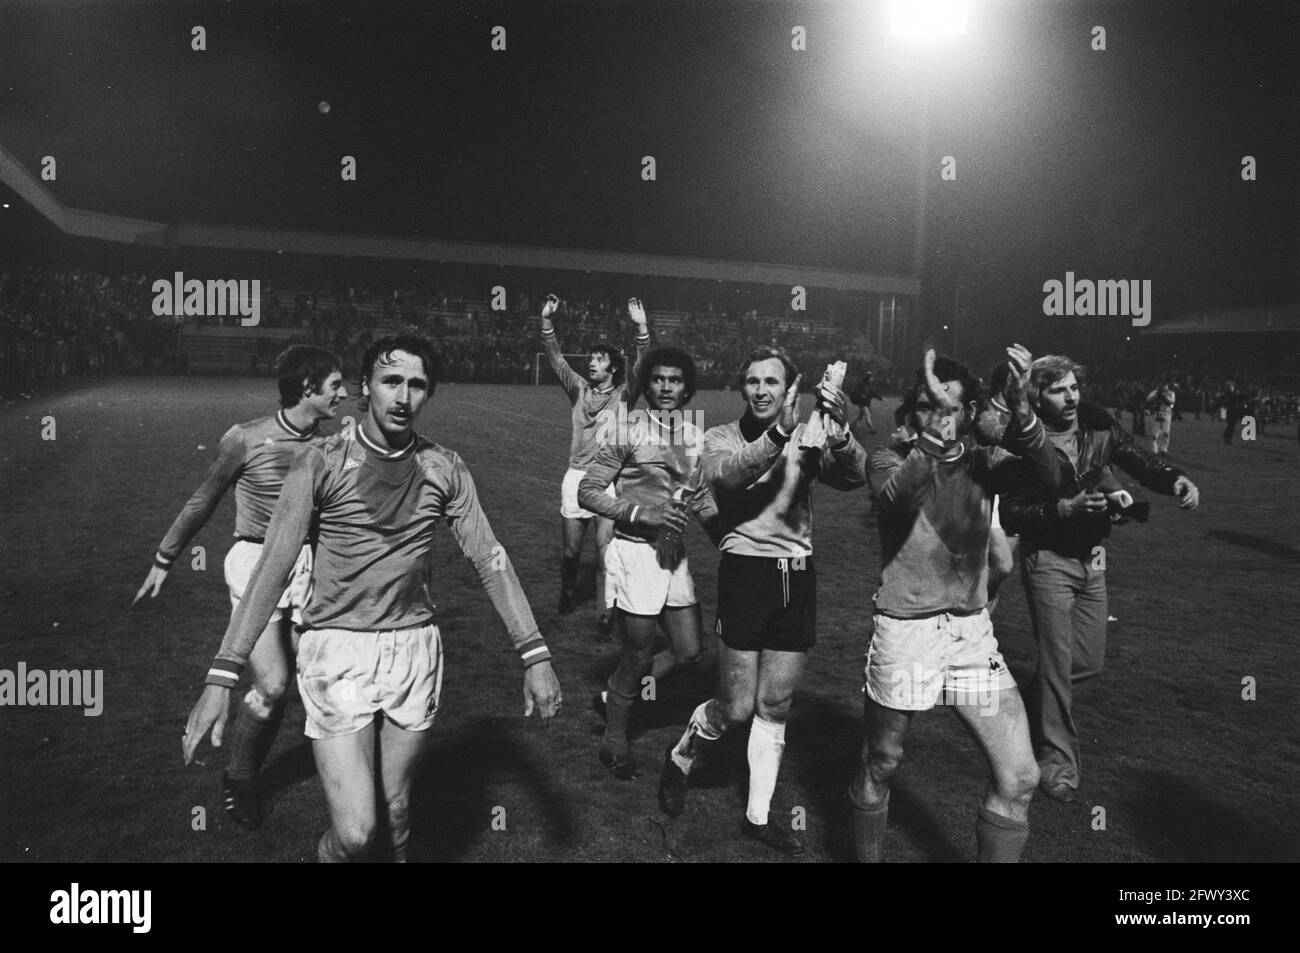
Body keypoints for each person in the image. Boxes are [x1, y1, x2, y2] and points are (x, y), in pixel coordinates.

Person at [181, 333, 561, 862]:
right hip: (336, 648)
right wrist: (221, 677)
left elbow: (491, 560)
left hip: (414, 649)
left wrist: (534, 654)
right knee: (357, 832)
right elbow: (273, 567)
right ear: (367, 388)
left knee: (398, 814)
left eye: (417, 385)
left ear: (429, 394)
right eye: (391, 382)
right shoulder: (320, 460)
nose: (403, 397)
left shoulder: (444, 467)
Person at [849, 344, 1057, 864]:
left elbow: (1051, 478)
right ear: (913, 410)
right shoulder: (889, 456)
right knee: (882, 761)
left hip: (970, 636)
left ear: (970, 413)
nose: (937, 413)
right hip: (907, 632)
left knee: (1021, 777)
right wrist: (933, 435)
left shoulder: (986, 462)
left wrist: (1024, 410)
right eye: (926, 403)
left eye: (949, 405)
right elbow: (898, 497)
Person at [657, 345, 867, 856]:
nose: (762, 390)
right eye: (753, 382)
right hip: (746, 576)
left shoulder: (807, 433)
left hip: (797, 577)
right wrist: (779, 435)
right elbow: (730, 477)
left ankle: (758, 817)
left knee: (775, 704)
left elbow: (854, 477)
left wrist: (839, 433)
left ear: (789, 388)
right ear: (743, 388)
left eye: (773, 382)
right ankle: (683, 754)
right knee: (735, 706)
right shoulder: (719, 438)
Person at [134, 344, 346, 829]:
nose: (344, 392)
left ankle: (349, 775)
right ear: (308, 388)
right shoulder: (246, 438)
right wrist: (165, 558)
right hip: (255, 562)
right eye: (335, 384)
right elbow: (202, 499)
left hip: (313, 565)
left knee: (315, 681)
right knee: (271, 683)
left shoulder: (333, 443)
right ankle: (240, 777)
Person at [1000, 355, 1200, 802]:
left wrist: (1176, 479)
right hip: (1048, 560)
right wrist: (1060, 511)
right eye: (1058, 390)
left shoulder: (1098, 425)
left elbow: (1140, 460)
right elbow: (1011, 511)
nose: (1071, 397)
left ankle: (1032, 704)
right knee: (1055, 665)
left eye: (1073, 387)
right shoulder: (1021, 439)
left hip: (1093, 561)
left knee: (1087, 662)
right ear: (1036, 395)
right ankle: (1057, 766)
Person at [578, 346, 719, 779]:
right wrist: (643, 514)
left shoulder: (695, 435)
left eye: (675, 380)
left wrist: (728, 545)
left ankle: (613, 697)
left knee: (689, 651)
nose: (665, 387)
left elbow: (700, 497)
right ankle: (615, 739)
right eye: (658, 379)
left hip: (673, 555)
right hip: (635, 552)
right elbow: (588, 491)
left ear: (687, 387)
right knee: (637, 659)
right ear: (649, 383)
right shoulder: (627, 429)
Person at [540, 295, 651, 638]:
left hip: (607, 482)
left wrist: (641, 328)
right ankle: (569, 591)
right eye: (591, 359)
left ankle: (606, 615)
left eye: (599, 360)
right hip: (575, 479)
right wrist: (546, 321)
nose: (592, 363)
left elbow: (644, 366)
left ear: (613, 368)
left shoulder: (624, 393)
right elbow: (556, 358)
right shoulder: (578, 389)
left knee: (606, 551)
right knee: (572, 552)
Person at [1147, 380, 1176, 456]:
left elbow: (1171, 402)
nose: (1163, 387)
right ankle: (1154, 450)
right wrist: (1157, 394)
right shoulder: (1155, 392)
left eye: (1165, 385)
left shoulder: (1171, 393)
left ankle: (1163, 450)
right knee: (1155, 433)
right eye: (1162, 385)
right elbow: (1148, 399)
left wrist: (1164, 396)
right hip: (1156, 414)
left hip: (1166, 414)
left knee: (1166, 433)